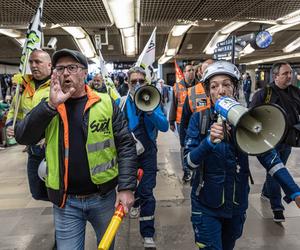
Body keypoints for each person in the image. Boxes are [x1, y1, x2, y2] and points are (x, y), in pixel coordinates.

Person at [15, 49, 138, 250]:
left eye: (72, 68)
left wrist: (126, 187)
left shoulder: (105, 103)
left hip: (103, 198)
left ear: (84, 73)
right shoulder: (48, 105)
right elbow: (23, 136)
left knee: (107, 246)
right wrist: (50, 106)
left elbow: (125, 145)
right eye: (60, 68)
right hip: (66, 203)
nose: (65, 73)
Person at [184, 61, 300, 250]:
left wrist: (294, 191)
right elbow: (188, 163)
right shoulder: (199, 120)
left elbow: (271, 159)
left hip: (236, 206)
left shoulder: (247, 120)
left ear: (235, 88)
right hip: (206, 207)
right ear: (208, 92)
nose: (221, 91)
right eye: (214, 86)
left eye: (226, 84)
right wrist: (207, 143)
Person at [118, 66, 168, 249]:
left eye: (141, 81)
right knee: (131, 188)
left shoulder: (154, 100)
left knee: (147, 191)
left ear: (146, 82)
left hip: (148, 153)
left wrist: (150, 111)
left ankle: (148, 234)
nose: (137, 84)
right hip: (128, 155)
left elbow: (164, 126)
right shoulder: (121, 103)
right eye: (133, 81)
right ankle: (136, 200)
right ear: (127, 83)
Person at [250, 61, 300, 222]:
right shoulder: (264, 93)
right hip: (269, 142)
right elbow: (251, 117)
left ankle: (266, 192)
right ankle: (277, 207)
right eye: (285, 73)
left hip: (288, 141)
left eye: (290, 73)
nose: (289, 76)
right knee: (275, 171)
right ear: (275, 75)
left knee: (276, 170)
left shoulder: (295, 92)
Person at [6, 49, 52, 200]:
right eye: (31, 62)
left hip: (52, 147)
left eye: (38, 62)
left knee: (57, 188)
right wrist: (12, 125)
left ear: (49, 65)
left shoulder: (57, 86)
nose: (34, 65)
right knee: (37, 192)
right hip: (33, 149)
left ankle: (63, 213)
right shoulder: (24, 88)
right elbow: (15, 110)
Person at [169, 64, 199, 182]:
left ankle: (196, 168)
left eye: (193, 70)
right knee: (184, 145)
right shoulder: (177, 86)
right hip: (181, 121)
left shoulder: (200, 86)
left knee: (196, 143)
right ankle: (186, 171)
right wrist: (171, 121)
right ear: (184, 73)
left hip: (196, 120)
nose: (191, 72)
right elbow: (173, 104)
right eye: (188, 70)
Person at [179, 59, 213, 159]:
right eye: (207, 71)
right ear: (201, 73)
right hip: (197, 141)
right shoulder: (192, 92)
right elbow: (184, 120)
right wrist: (183, 143)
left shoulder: (224, 92)